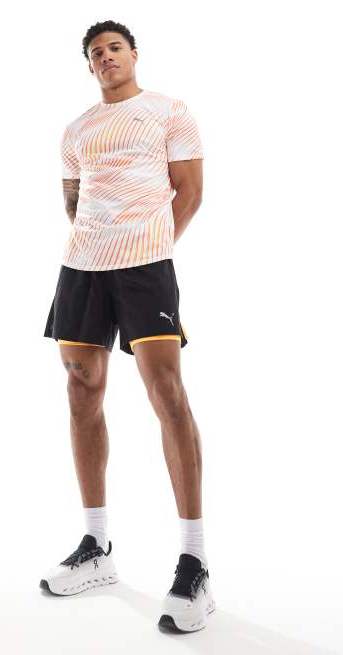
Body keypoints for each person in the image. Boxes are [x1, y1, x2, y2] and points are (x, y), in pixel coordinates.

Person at [40, 20, 216, 633]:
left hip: (146, 266)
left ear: (134, 54)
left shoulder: (169, 111)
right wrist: (100, 240)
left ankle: (194, 561)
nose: (106, 57)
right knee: (81, 389)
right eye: (96, 53)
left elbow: (189, 192)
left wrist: (150, 246)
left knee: (167, 392)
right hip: (82, 266)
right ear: (89, 66)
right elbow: (73, 201)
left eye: (115, 48)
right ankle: (97, 548)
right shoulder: (76, 130)